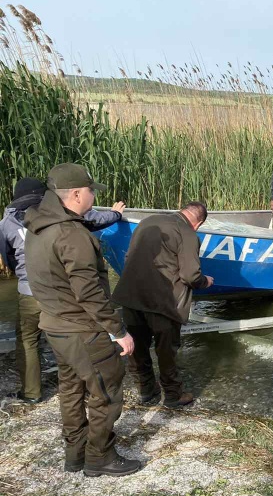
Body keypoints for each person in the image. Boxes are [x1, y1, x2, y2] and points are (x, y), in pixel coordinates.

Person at [24, 163, 141, 477]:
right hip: (81, 329)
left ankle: (75, 453)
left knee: (72, 389)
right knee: (107, 390)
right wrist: (118, 331)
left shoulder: (39, 225)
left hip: (53, 325)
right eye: (91, 191)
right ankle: (99, 456)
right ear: (76, 194)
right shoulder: (71, 234)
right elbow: (88, 291)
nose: (94, 195)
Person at [0, 177, 126, 404]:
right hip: (61, 292)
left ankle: (31, 392)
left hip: (28, 291)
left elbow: (8, 255)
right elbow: (96, 219)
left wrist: (22, 274)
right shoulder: (62, 215)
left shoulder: (7, 222)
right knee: (71, 336)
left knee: (28, 340)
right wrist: (116, 214)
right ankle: (83, 383)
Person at [112, 202, 213, 409]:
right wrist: (205, 281)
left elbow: (128, 256)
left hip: (131, 296)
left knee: (137, 347)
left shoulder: (148, 222)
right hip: (163, 302)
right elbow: (190, 275)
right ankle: (173, 395)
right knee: (166, 350)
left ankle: (146, 390)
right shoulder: (188, 233)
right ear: (198, 223)